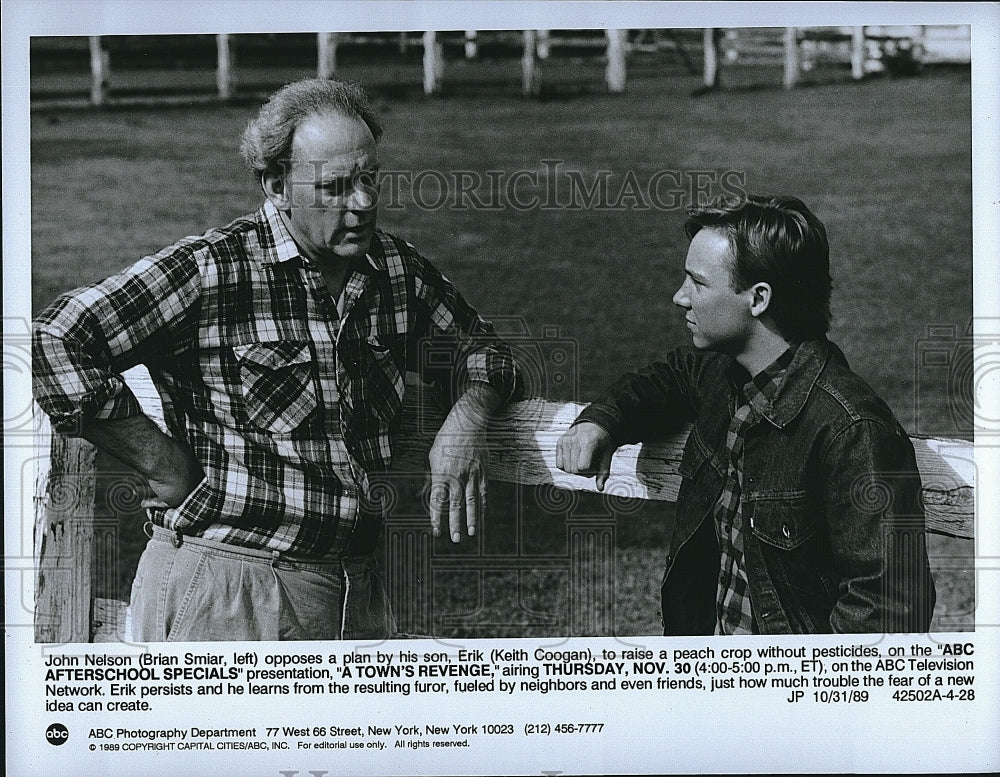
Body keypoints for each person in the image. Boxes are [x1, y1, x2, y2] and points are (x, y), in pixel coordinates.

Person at [32, 78, 522, 642]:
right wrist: (161, 463)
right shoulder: (212, 270)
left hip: (353, 593)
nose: (362, 203)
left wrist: (467, 418)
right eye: (336, 186)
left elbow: (486, 350)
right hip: (226, 590)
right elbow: (55, 339)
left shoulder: (395, 271)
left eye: (369, 180)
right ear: (276, 184)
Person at [557, 195, 935, 635]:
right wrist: (601, 419)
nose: (679, 297)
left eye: (697, 282)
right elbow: (670, 377)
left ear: (758, 299)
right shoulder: (724, 374)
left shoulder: (853, 430)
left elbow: (885, 611)